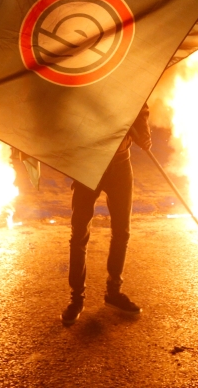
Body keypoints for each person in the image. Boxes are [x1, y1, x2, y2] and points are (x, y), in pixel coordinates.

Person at [59, 104, 151, 326]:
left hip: (120, 162)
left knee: (122, 231)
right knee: (79, 232)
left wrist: (143, 133)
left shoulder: (126, 74)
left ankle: (114, 292)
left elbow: (139, 103)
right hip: (88, 162)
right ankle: (76, 298)